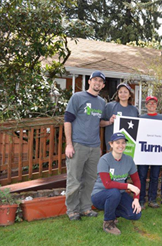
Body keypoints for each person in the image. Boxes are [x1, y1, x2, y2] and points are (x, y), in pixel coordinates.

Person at [64, 70, 106, 221]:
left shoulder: (102, 102)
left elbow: (98, 122)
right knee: (74, 179)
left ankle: (85, 208)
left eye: (100, 81)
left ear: (103, 85)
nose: (97, 83)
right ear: (89, 81)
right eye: (95, 80)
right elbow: (67, 120)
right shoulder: (77, 97)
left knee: (90, 180)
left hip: (94, 147)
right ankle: (72, 210)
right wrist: (69, 144)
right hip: (78, 144)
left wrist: (110, 122)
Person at [91, 132, 141, 235]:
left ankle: (112, 211)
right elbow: (107, 184)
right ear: (111, 144)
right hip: (100, 194)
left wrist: (136, 199)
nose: (121, 145)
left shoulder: (129, 160)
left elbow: (136, 180)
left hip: (119, 194)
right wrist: (128, 186)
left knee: (136, 215)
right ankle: (108, 223)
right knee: (114, 192)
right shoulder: (104, 160)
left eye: (123, 143)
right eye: (117, 142)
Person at [138, 96, 162, 209]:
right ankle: (141, 199)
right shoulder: (140, 118)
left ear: (156, 105)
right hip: (143, 152)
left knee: (155, 176)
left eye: (153, 103)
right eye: (149, 103)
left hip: (157, 152)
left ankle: (152, 199)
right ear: (146, 105)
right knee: (142, 176)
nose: (151, 105)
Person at [100, 83, 139, 151]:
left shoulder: (134, 110)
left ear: (129, 95)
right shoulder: (110, 107)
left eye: (125, 92)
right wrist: (109, 122)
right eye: (120, 92)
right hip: (112, 146)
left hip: (129, 146)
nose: (123, 94)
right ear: (118, 94)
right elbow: (100, 123)